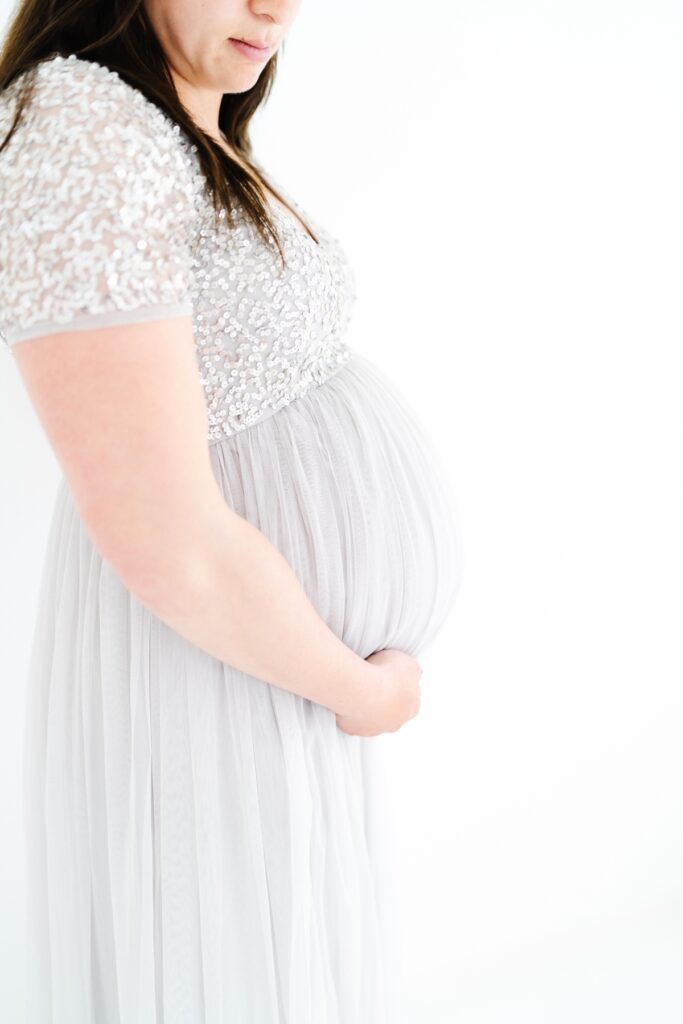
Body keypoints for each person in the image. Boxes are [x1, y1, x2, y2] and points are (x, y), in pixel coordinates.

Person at [0, 1, 464, 1020]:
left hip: (263, 672)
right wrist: (355, 687)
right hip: (212, 670)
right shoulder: (81, 124)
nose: (276, 7)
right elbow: (167, 541)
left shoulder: (170, 126)